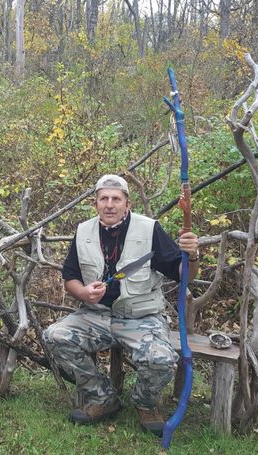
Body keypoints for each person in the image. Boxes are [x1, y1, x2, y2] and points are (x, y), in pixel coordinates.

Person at [43, 174, 199, 436]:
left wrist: (192, 254)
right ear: (95, 204)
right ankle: (103, 399)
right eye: (103, 198)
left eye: (116, 199)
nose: (109, 204)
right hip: (97, 315)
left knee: (160, 359)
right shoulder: (83, 231)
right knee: (55, 336)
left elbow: (185, 275)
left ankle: (145, 403)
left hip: (141, 317)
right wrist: (83, 293)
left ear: (127, 204)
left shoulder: (149, 229)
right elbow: (70, 277)